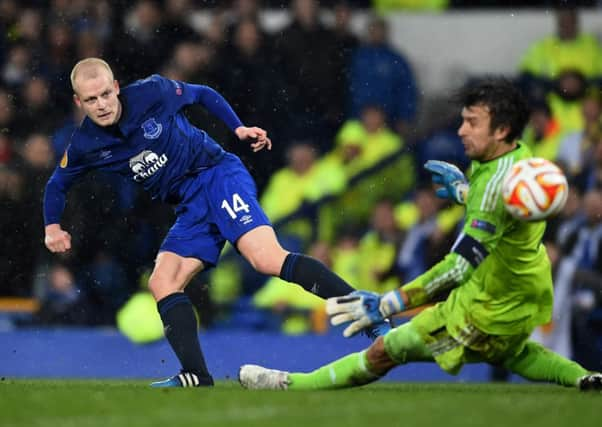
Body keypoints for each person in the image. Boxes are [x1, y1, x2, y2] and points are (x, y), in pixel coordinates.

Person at [43, 57, 389, 388]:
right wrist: (52, 227)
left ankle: (370, 313)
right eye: (91, 99)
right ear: (79, 102)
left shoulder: (152, 91)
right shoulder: (86, 143)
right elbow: (56, 184)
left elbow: (202, 94)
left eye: (106, 93)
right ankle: (196, 375)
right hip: (189, 205)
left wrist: (237, 127)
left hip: (217, 174)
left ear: (116, 86)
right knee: (162, 281)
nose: (102, 104)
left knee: (265, 258)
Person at [239, 78, 602, 392]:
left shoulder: (495, 183)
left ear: (502, 130)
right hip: (525, 292)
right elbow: (501, 211)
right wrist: (463, 193)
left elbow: (458, 268)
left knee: (386, 350)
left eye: (472, 122)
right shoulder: (517, 159)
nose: (460, 130)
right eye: (462, 120)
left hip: (486, 303)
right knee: (514, 351)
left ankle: (293, 384)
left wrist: (389, 303)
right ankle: (583, 378)